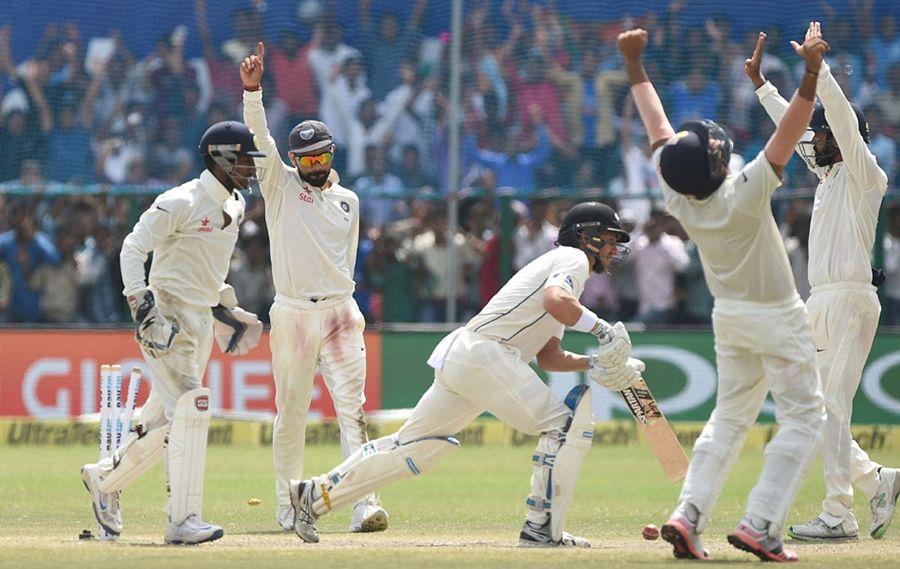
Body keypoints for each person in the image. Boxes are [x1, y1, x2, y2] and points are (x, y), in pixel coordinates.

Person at [286, 202, 645, 547]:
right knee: (564, 427)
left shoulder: (566, 276)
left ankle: (313, 495)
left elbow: (548, 356)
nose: (614, 247)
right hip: (487, 354)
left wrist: (594, 363)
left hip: (469, 356)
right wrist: (603, 331)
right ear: (587, 236)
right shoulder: (573, 258)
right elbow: (556, 302)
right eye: (610, 238)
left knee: (414, 448)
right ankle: (541, 527)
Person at [619, 23, 829, 562]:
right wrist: (808, 72)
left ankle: (687, 517)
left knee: (730, 418)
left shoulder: (679, 195)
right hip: (778, 315)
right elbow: (793, 127)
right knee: (805, 418)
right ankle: (761, 524)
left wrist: (635, 65)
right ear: (716, 163)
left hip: (729, 316)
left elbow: (657, 128)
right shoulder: (747, 190)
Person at [80, 121, 265, 545]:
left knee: (164, 421)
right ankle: (183, 520)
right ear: (221, 158)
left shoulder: (234, 206)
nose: (252, 169)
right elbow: (133, 248)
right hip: (166, 315)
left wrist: (229, 310)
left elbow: (204, 271)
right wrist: (141, 305)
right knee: (194, 406)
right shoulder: (181, 200)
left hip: (200, 318)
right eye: (245, 160)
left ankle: (103, 480)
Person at [746, 30, 898, 542]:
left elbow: (836, 118)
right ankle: (877, 481)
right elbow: (792, 131)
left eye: (823, 133)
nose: (814, 140)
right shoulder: (829, 177)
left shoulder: (863, 174)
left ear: (843, 134)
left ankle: (839, 512)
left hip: (849, 299)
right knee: (812, 406)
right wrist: (762, 86)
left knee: (830, 408)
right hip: (825, 300)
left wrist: (819, 70)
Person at [239, 42, 388, 534]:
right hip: (294, 314)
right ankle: (288, 506)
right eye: (305, 159)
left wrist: (337, 299)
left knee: (354, 411)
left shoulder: (349, 199)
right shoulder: (280, 187)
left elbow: (344, 260)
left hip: (342, 312)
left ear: (332, 154)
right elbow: (258, 137)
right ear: (294, 162)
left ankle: (363, 504)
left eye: (321, 155)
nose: (315, 165)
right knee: (292, 414)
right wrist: (253, 91)